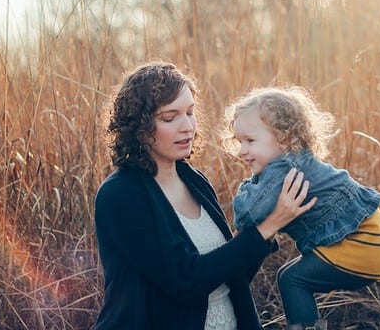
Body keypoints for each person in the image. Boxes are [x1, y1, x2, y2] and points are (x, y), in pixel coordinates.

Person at [93, 61, 316, 330]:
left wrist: (269, 224)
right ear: (138, 127)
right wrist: (268, 226)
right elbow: (185, 281)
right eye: (169, 117)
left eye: (190, 112)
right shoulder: (120, 195)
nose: (187, 126)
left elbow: (230, 276)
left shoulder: (194, 180)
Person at [223, 86, 380, 330]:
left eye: (250, 141)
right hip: (368, 237)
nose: (242, 150)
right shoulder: (294, 161)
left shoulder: (281, 169)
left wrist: (249, 185)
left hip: (359, 242)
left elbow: (247, 214)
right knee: (287, 276)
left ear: (284, 138)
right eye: (239, 141)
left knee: (293, 280)